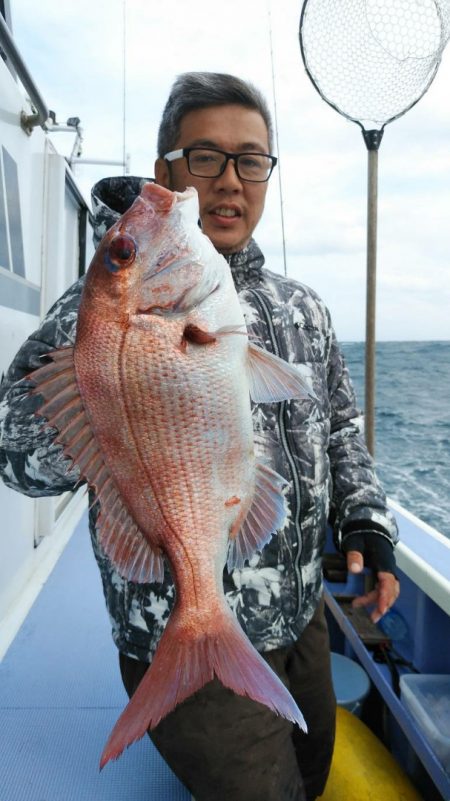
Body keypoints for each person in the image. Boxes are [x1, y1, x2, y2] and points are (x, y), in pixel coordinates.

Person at [0, 72, 399, 801]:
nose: (230, 180)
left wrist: (367, 523)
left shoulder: (303, 307)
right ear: (167, 175)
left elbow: (341, 424)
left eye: (251, 159)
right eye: (206, 156)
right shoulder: (96, 313)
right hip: (174, 627)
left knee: (309, 778)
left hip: (301, 612)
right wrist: (107, 371)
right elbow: (15, 457)